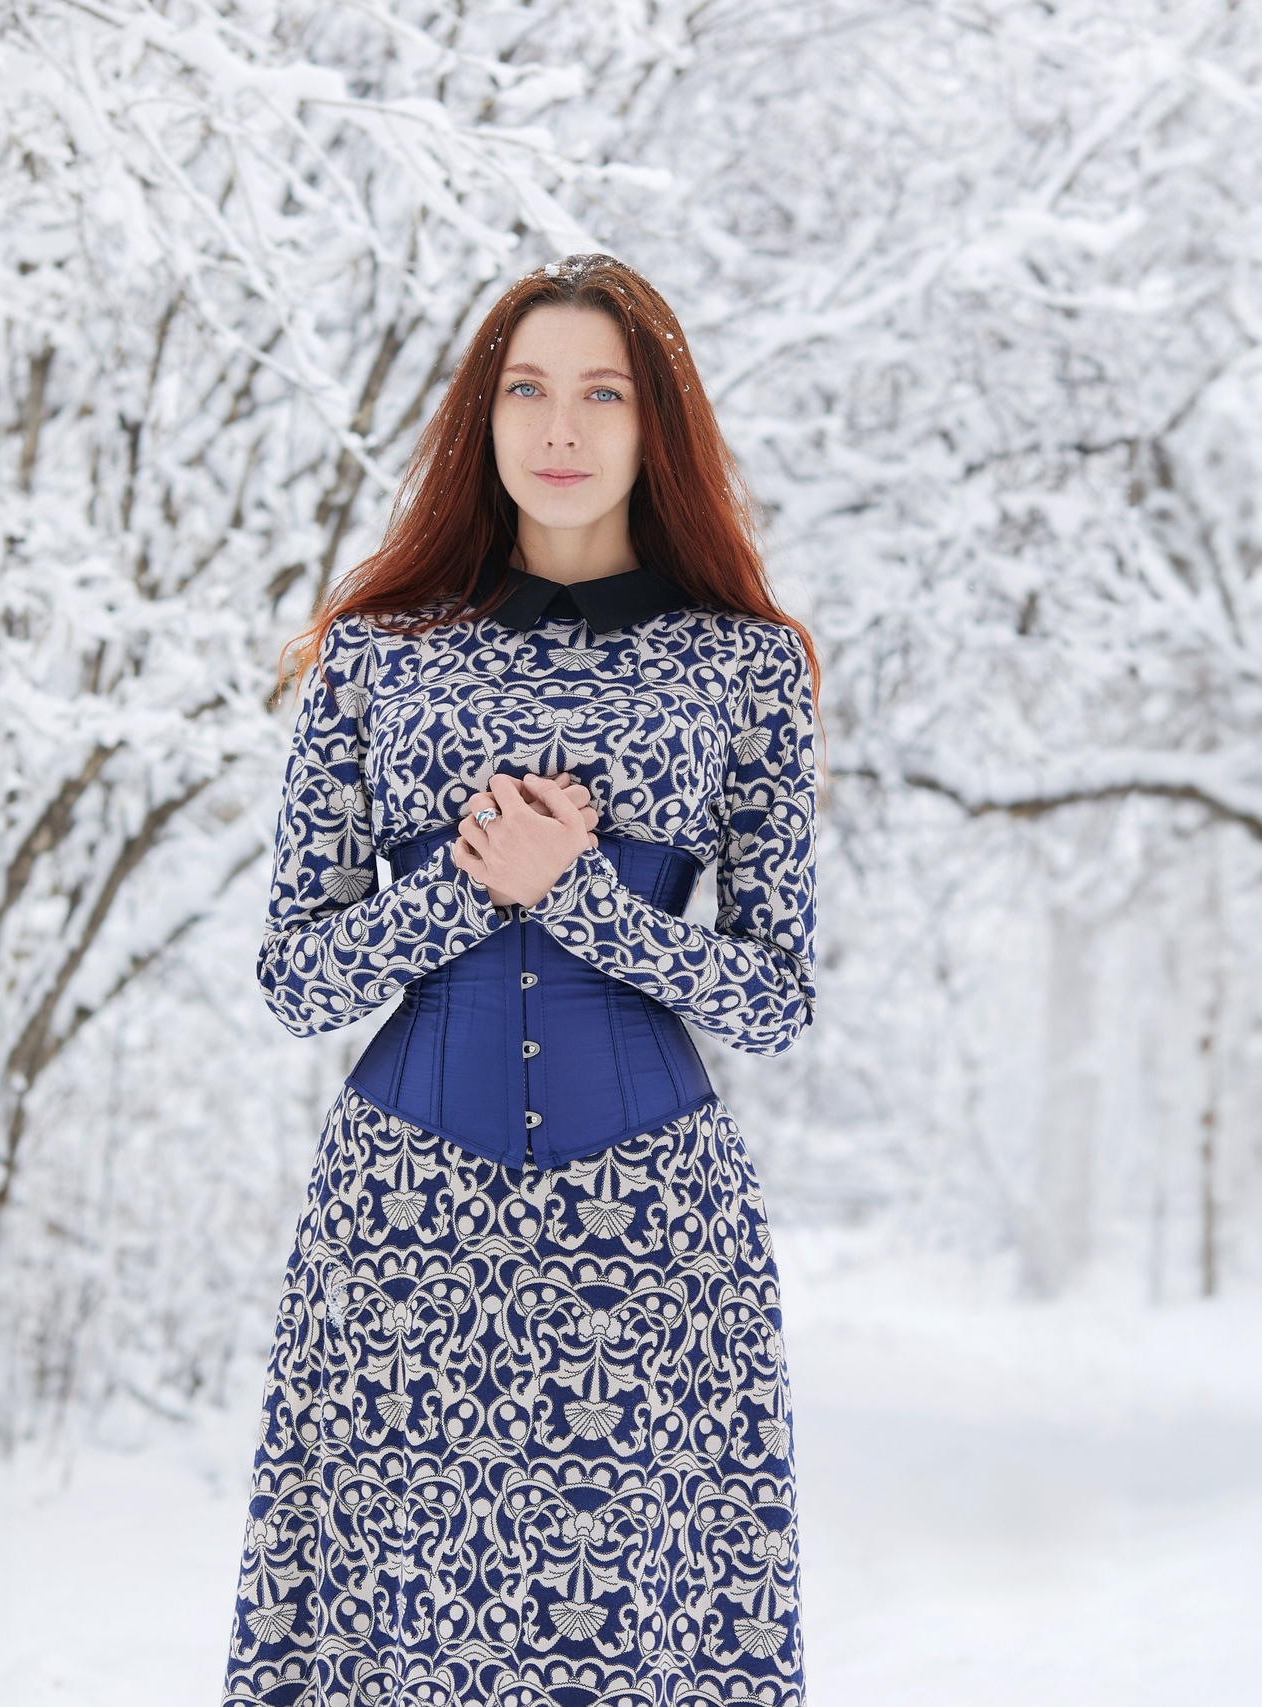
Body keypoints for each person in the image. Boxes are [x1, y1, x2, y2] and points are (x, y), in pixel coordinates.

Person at [223, 252, 819, 1707]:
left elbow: (774, 1000)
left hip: (651, 1226)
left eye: (603, 394)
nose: (560, 428)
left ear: (655, 424)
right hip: (403, 1222)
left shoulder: (744, 669)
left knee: (633, 1637)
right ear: (480, 421)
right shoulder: (376, 661)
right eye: (527, 390)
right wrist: (465, 891)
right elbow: (298, 980)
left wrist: (580, 901)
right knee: (398, 1628)